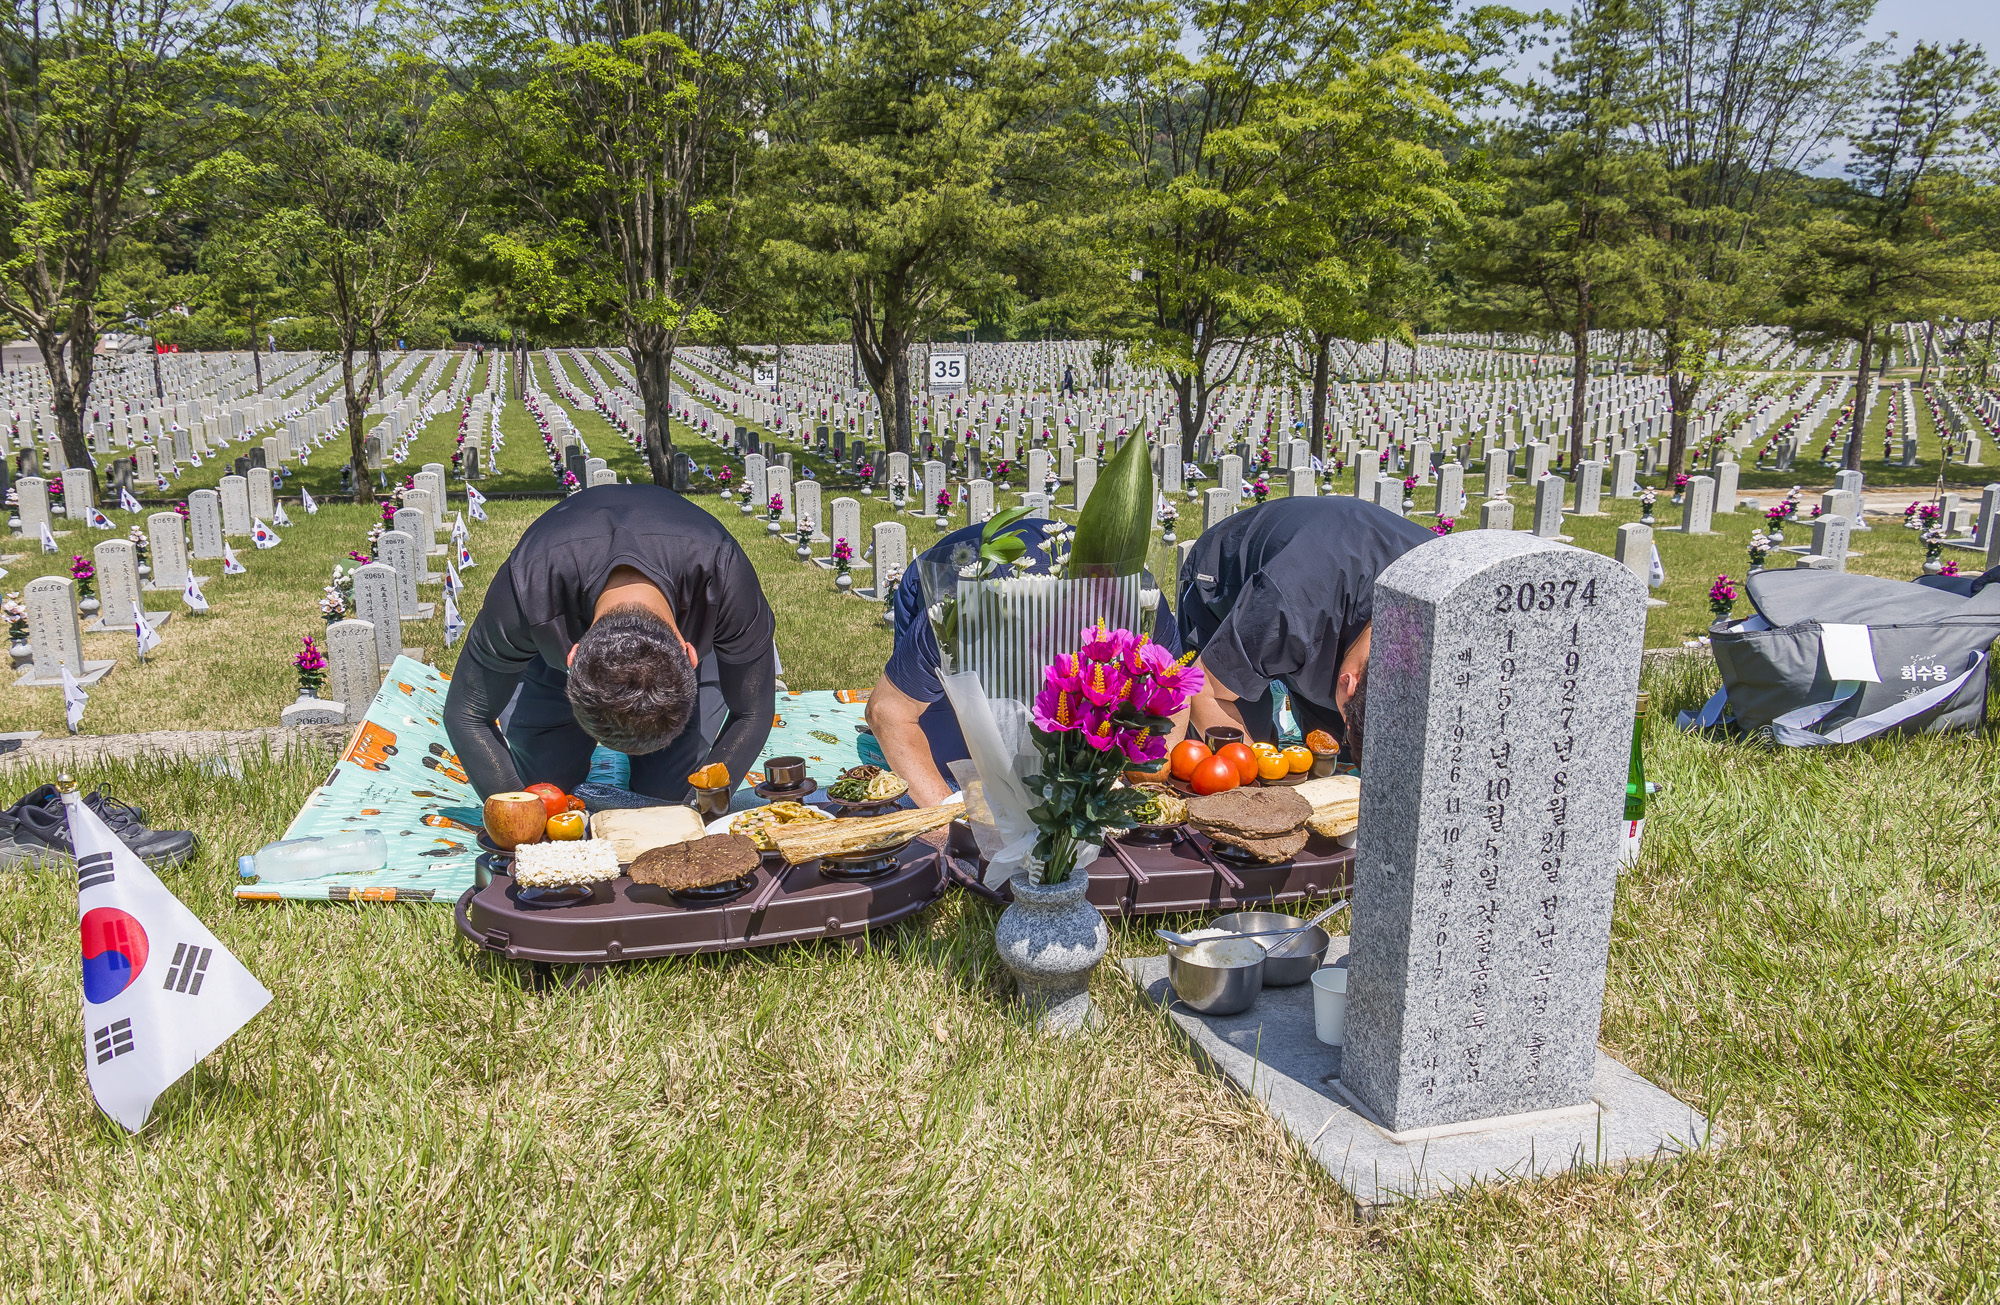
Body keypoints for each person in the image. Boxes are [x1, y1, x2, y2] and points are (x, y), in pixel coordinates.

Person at [443, 483, 777, 801]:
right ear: (571, 656)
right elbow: (466, 715)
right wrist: (518, 818)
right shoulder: (527, 589)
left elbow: (752, 712)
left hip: (678, 629)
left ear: (690, 655)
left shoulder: (725, 577)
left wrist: (702, 807)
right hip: (551, 628)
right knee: (546, 788)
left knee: (667, 798)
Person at [866, 516, 1184, 807]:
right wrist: (949, 820)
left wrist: (1141, 777)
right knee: (958, 757)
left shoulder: (1139, 601)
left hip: (1052, 571)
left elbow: (1176, 692)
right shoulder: (961, 609)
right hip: (959, 566)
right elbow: (888, 712)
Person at [1178, 495, 1432, 763]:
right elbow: (1202, 690)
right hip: (1230, 586)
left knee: (1335, 753)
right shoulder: (1288, 606)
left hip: (1334, 602)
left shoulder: (1443, 605)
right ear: (1349, 682)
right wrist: (1257, 773)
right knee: (1248, 747)